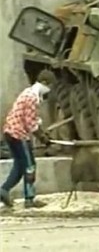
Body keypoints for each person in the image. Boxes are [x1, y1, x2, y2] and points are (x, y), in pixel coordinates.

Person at [0, 70, 54, 209]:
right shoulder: (32, 98)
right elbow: (31, 124)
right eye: (50, 86)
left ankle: (4, 191)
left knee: (19, 166)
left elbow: (33, 119)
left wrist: (42, 132)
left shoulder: (28, 92)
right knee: (30, 167)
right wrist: (43, 138)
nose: (49, 90)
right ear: (44, 83)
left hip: (10, 132)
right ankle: (29, 199)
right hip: (19, 134)